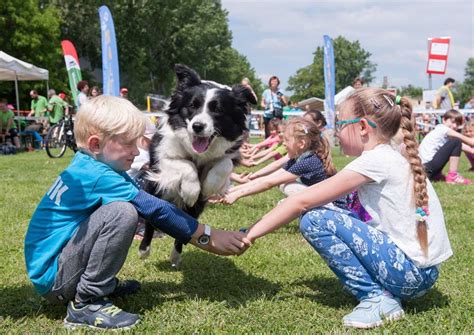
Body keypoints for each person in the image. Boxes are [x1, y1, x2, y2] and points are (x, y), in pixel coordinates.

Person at [24, 95, 249, 330]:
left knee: (125, 209)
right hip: (55, 280)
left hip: (55, 271)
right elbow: (154, 209)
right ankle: (87, 301)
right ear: (95, 144)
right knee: (122, 212)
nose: (137, 151)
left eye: (138, 142)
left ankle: (97, 284)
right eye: (129, 143)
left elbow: (150, 205)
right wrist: (208, 236)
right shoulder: (99, 175)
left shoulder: (92, 165)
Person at [238, 89, 452, 329]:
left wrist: (248, 235)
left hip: (410, 275)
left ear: (362, 127)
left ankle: (377, 297)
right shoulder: (389, 156)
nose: (336, 131)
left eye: (340, 123)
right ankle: (385, 290)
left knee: (315, 220)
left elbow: (302, 203)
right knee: (328, 212)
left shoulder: (374, 160)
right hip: (422, 275)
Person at [224, 117, 343, 202]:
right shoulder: (299, 157)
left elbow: (268, 183)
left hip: (332, 204)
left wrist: (236, 195)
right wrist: (230, 192)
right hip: (326, 199)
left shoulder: (308, 161)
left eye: (286, 140)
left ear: (301, 143)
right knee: (284, 184)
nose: (283, 144)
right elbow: (268, 178)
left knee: (288, 186)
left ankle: (310, 209)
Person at [419, 109, 473, 184]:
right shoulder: (443, 129)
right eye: (453, 122)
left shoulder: (439, 131)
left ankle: (436, 175)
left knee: (456, 142)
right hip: (427, 168)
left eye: (457, 124)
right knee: (457, 141)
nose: (455, 126)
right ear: (444, 120)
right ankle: (453, 176)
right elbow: (463, 139)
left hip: (424, 170)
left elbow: (461, 146)